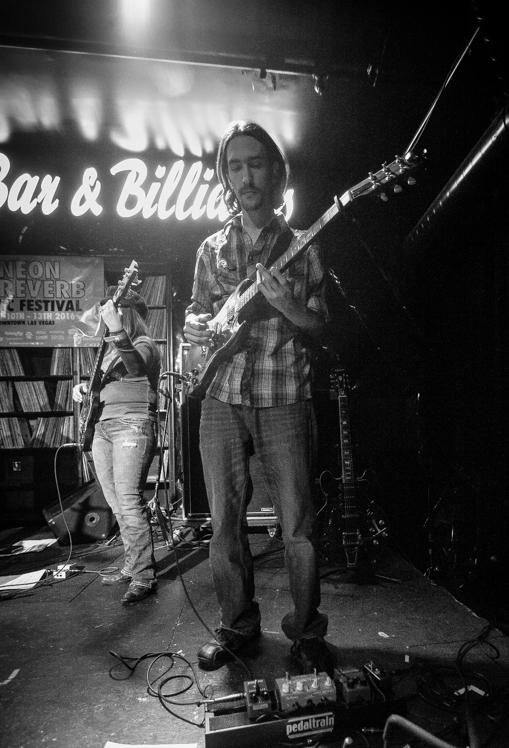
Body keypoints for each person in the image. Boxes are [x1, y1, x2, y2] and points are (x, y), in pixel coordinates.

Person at [184, 119, 333, 674]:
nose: (245, 176)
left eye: (255, 164)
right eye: (235, 166)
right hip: (221, 394)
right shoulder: (210, 248)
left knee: (298, 526)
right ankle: (238, 625)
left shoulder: (303, 246)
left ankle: (307, 631)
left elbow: (321, 326)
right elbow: (199, 313)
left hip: (285, 392)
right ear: (226, 176)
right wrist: (195, 328)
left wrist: (288, 305)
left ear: (274, 172)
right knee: (224, 524)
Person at [73, 288, 161, 603]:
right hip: (102, 428)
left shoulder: (144, 342)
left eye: (114, 310)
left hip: (132, 425)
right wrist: (85, 388)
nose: (107, 315)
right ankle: (133, 565)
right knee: (115, 504)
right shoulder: (109, 351)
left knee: (128, 501)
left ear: (128, 314)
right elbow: (103, 387)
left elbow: (136, 367)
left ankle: (144, 576)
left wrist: (117, 330)